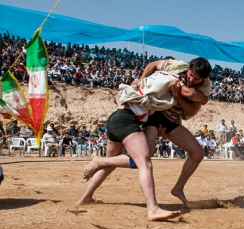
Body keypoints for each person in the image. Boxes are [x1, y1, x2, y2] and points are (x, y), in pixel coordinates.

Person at [79, 57, 211, 212]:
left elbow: (192, 110)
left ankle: (178, 188)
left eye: (196, 79)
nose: (191, 79)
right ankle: (88, 192)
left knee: (197, 153)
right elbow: (153, 65)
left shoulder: (205, 85)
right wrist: (140, 79)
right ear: (188, 68)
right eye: (190, 75)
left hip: (171, 119)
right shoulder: (176, 66)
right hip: (153, 116)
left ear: (203, 79)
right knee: (140, 161)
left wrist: (176, 95)